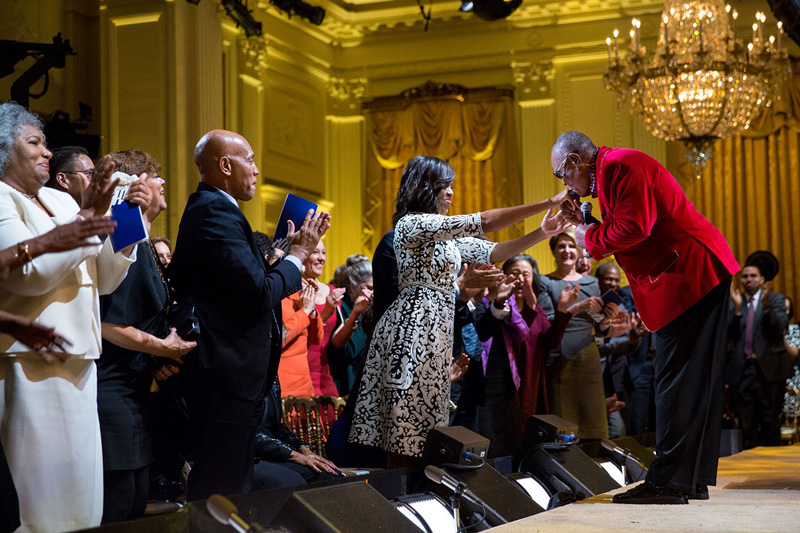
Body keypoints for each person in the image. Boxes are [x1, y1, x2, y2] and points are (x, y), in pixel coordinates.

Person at [349, 155, 571, 469]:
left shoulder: (446, 239)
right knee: (406, 433)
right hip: (412, 329)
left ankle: (424, 497)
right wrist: (547, 202)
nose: (452, 192)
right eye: (445, 186)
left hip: (436, 330)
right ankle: (401, 502)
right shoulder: (412, 224)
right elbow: (486, 222)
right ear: (425, 188)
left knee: (430, 430)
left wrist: (542, 232)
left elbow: (493, 250)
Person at [554, 131, 739, 504]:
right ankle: (688, 481)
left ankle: (670, 483)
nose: (564, 185)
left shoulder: (621, 166)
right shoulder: (611, 172)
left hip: (690, 275)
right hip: (690, 276)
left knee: (676, 382)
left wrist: (584, 234)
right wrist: (585, 223)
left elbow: (636, 227)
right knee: (690, 383)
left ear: (576, 161)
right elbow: (625, 226)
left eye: (562, 174)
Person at [0, 101, 150, 531]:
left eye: (46, 143)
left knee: (83, 500)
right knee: (39, 505)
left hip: (81, 359)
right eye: (34, 142)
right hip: (29, 362)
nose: (47, 151)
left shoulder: (56, 199)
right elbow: (30, 274)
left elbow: (102, 279)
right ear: (3, 150)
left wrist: (125, 220)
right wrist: (90, 216)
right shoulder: (2, 197)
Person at [168, 129, 329, 500]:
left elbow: (249, 285)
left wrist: (282, 256)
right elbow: (259, 293)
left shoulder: (220, 211)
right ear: (225, 165)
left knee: (231, 492)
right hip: (225, 377)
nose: (257, 170)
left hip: (234, 379)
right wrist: (297, 257)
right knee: (223, 494)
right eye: (250, 160)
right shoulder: (213, 211)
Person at [97, 150, 197, 522]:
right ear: (133, 187)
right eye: (153, 176)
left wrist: (157, 362)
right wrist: (164, 349)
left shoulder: (145, 241)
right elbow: (109, 325)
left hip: (137, 392)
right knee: (120, 507)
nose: (162, 182)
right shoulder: (124, 233)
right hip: (112, 393)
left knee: (138, 504)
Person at [538, 231, 618, 440]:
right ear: (554, 252)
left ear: (579, 251)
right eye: (561, 246)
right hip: (559, 357)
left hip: (588, 360)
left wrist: (608, 319)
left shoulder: (592, 283)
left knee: (594, 424)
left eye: (571, 246)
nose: (567, 251)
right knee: (563, 426)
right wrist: (577, 306)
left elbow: (601, 326)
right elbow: (547, 322)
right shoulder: (545, 282)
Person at [727, 262, 791, 449]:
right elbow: (727, 335)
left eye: (753, 276)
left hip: (769, 370)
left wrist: (765, 307)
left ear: (762, 279)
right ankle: (747, 464)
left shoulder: (776, 300)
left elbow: (779, 329)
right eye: (745, 276)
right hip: (742, 370)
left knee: (770, 421)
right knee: (746, 425)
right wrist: (737, 309)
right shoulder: (734, 302)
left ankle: (774, 469)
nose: (749, 280)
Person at [328, 255, 373, 395]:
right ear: (353, 284)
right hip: (344, 385)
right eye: (368, 288)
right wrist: (359, 314)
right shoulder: (341, 307)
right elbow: (349, 350)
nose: (372, 294)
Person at [303, 241, 343, 396]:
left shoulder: (331, 291)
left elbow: (337, 341)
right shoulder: (292, 290)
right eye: (315, 252)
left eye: (324, 252)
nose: (321, 258)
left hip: (323, 375)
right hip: (300, 371)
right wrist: (326, 311)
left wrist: (355, 315)